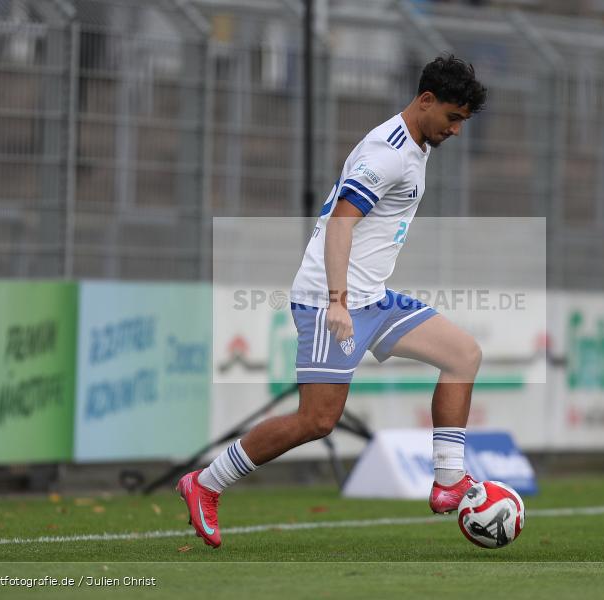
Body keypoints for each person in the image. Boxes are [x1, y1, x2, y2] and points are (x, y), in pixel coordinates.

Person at [178, 55, 487, 548]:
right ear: (426, 101)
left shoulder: (416, 143)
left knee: (463, 354)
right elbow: (342, 222)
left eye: (462, 122)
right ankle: (205, 483)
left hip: (375, 300)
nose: (455, 130)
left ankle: (449, 480)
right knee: (317, 420)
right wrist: (339, 301)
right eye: (452, 118)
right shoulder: (386, 152)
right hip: (331, 301)